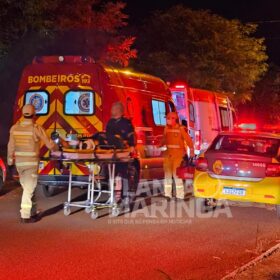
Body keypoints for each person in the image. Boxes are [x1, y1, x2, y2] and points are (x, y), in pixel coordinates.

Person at [7, 104, 57, 223]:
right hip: (31, 164)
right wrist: (57, 149)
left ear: (23, 114)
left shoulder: (14, 128)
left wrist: (10, 162)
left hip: (19, 164)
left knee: (29, 188)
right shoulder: (36, 128)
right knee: (29, 190)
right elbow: (49, 144)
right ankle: (25, 216)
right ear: (34, 114)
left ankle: (33, 212)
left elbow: (10, 147)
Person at [106, 102, 136, 203]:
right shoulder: (110, 122)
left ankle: (125, 195)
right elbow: (107, 136)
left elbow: (131, 136)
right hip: (112, 153)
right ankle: (115, 195)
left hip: (123, 152)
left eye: (113, 109)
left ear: (118, 111)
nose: (111, 111)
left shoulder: (126, 123)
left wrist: (131, 146)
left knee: (123, 174)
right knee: (113, 175)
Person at [161, 112, 194, 200]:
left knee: (177, 176)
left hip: (178, 156)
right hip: (168, 155)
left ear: (173, 119)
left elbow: (188, 140)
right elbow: (164, 140)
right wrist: (159, 145)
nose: (167, 120)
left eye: (168, 118)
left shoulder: (181, 129)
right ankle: (167, 194)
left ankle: (180, 195)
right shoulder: (166, 129)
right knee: (167, 175)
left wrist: (191, 150)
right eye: (167, 118)